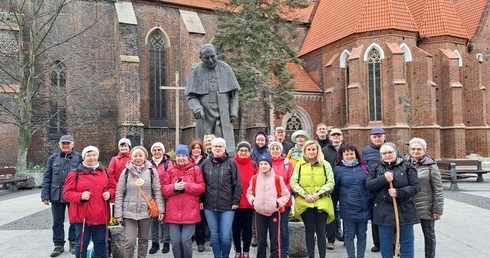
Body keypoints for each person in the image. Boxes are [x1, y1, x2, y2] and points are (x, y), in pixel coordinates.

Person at [366, 142, 420, 258]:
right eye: (384, 153)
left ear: (396, 152)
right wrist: (383, 179)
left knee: (407, 240)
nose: (387, 155)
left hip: (404, 208)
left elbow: (416, 187)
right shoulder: (376, 168)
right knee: (385, 242)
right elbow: (369, 185)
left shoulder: (407, 166)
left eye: (390, 152)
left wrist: (398, 192)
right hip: (383, 210)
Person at [185, 43, 240, 155]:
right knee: (205, 144)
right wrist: (196, 108)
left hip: (224, 112)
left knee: (224, 143)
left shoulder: (226, 68)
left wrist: (233, 111)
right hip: (205, 113)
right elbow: (191, 95)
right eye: (206, 58)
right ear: (201, 58)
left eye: (212, 57)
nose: (210, 60)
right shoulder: (196, 72)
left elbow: (234, 93)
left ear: (217, 54)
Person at [63, 146, 116, 258]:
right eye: (88, 155)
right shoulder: (75, 174)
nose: (92, 157)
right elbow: (66, 194)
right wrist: (80, 196)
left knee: (101, 243)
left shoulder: (105, 172)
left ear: (97, 156)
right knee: (82, 244)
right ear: (84, 157)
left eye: (94, 155)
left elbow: (113, 187)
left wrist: (110, 193)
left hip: (101, 215)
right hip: (83, 216)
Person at [114, 146, 165, 258]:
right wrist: (118, 214)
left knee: (144, 240)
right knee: (130, 242)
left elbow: (157, 191)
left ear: (145, 157)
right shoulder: (126, 172)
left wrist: (161, 210)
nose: (138, 158)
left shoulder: (152, 172)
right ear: (131, 157)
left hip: (145, 211)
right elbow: (119, 193)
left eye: (140, 155)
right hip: (129, 212)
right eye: (135, 155)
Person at [290, 140, 335, 258]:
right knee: (309, 232)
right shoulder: (299, 166)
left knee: (321, 232)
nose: (311, 152)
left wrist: (318, 194)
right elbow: (294, 182)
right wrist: (305, 195)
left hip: (322, 202)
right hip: (306, 203)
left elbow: (330, 182)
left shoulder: (325, 164)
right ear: (304, 151)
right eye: (308, 149)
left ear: (317, 150)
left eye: (313, 149)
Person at [199, 137, 242, 258]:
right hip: (209, 205)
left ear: (224, 148)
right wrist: (201, 199)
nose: (217, 148)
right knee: (214, 234)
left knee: (225, 235)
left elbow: (237, 183)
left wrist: (236, 200)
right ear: (211, 148)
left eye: (220, 146)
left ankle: (225, 256)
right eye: (215, 146)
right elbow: (201, 183)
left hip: (227, 205)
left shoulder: (231, 163)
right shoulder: (205, 163)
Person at [162, 144, 206, 258]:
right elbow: (164, 189)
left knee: (186, 240)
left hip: (190, 211)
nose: (181, 158)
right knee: (175, 241)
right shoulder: (170, 170)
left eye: (183, 155)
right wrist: (174, 188)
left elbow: (201, 187)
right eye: (178, 155)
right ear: (175, 157)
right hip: (173, 212)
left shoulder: (195, 169)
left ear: (188, 156)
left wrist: (186, 186)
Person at [41, 134, 81, 257]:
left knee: (74, 220)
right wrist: (45, 195)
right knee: (57, 221)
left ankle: (73, 242)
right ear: (59, 145)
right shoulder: (53, 159)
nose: (65, 145)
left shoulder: (79, 158)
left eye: (68, 143)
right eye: (63, 143)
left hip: (73, 194)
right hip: (56, 194)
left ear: (73, 144)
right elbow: (47, 177)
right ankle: (58, 244)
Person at [361, 127, 399, 252]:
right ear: (370, 138)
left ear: (384, 136)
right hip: (375, 187)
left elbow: (400, 163)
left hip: (391, 186)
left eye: (379, 136)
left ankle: (394, 244)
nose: (377, 138)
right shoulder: (366, 150)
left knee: (392, 216)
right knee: (376, 217)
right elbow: (363, 167)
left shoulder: (392, 148)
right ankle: (378, 243)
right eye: (374, 136)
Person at [405, 138, 444, 258]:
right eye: (413, 149)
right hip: (407, 205)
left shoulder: (431, 166)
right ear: (409, 150)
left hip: (425, 206)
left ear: (424, 150)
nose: (415, 151)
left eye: (418, 149)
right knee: (403, 233)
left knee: (429, 234)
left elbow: (438, 189)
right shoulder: (403, 163)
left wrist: (437, 210)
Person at [247, 155, 290, 258]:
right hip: (259, 213)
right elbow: (249, 193)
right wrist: (253, 201)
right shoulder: (255, 178)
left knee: (274, 239)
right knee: (261, 240)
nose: (263, 166)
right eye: (261, 164)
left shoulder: (277, 178)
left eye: (265, 164)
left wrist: (278, 203)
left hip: (273, 212)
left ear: (270, 165)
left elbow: (286, 194)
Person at [333, 143, 372, 258]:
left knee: (362, 235)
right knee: (349, 235)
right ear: (342, 156)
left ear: (356, 154)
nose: (349, 156)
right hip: (348, 208)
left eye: (351, 153)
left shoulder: (364, 167)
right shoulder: (338, 170)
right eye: (346, 154)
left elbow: (369, 184)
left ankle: (360, 256)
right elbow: (335, 189)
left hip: (364, 206)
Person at [269, 141, 294, 258]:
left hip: (284, 201)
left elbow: (291, 181)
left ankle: (284, 252)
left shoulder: (287, 163)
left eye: (277, 148)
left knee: (283, 227)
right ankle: (274, 252)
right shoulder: (266, 163)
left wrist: (282, 194)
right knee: (273, 228)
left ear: (281, 150)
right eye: (273, 148)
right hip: (270, 201)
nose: (275, 151)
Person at [321, 128, 345, 249]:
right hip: (330, 187)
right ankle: (331, 239)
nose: (336, 137)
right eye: (334, 135)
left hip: (345, 186)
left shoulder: (347, 149)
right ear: (330, 137)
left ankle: (347, 237)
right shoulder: (324, 151)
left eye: (338, 135)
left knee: (346, 213)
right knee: (331, 213)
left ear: (342, 137)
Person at [232, 141, 256, 258]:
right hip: (235, 202)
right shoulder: (232, 163)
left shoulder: (254, 165)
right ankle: (237, 251)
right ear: (237, 151)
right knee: (236, 228)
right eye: (241, 150)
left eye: (245, 150)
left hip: (248, 202)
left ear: (249, 152)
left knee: (247, 228)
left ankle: (246, 251)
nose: (243, 152)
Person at [149, 142, 173, 254]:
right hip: (153, 197)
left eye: (159, 150)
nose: (157, 152)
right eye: (155, 150)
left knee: (166, 220)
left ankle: (166, 243)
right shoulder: (148, 164)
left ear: (163, 151)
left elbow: (171, 178)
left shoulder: (168, 164)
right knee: (154, 220)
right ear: (152, 152)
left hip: (165, 195)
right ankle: (155, 243)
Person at [188, 140, 208, 252]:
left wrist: (202, 199)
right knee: (189, 218)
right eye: (194, 148)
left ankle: (201, 241)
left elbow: (206, 181)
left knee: (201, 219)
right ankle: (189, 240)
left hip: (201, 195)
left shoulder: (206, 161)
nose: (196, 150)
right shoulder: (186, 160)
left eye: (198, 148)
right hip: (189, 195)